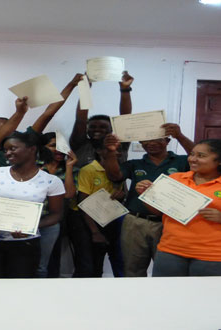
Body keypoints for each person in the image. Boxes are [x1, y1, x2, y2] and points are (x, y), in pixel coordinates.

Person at [135, 139, 221, 277]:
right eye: (192, 154)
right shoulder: (175, 179)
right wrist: (147, 194)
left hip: (218, 257)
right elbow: (159, 213)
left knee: (208, 298)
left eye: (201, 156)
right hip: (171, 251)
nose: (192, 159)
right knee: (169, 296)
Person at [102, 123, 195, 277]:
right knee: (132, 269)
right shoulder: (135, 164)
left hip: (170, 222)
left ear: (167, 141)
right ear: (140, 144)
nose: (150, 143)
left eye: (157, 139)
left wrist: (180, 135)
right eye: (145, 140)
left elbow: (199, 156)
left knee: (167, 270)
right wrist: (111, 153)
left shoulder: (182, 161)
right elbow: (115, 176)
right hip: (136, 222)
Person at [66, 71, 133, 277]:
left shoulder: (118, 145)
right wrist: (87, 87)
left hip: (114, 208)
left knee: (119, 257)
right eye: (92, 127)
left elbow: (125, 119)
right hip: (82, 212)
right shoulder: (80, 144)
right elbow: (80, 118)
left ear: (111, 130)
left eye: (102, 127)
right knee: (87, 262)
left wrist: (125, 90)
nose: (96, 130)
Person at [0, 131, 65, 278]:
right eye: (5, 150)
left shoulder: (51, 181)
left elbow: (56, 214)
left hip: (25, 244)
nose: (8, 153)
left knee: (20, 289)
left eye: (13, 148)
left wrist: (31, 227)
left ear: (32, 149)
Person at [76, 145, 125, 277]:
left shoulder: (119, 170)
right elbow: (82, 203)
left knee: (118, 259)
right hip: (90, 222)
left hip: (112, 219)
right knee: (90, 266)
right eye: (109, 149)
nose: (115, 152)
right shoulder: (89, 170)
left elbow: (123, 191)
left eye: (117, 150)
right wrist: (95, 232)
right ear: (99, 150)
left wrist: (122, 195)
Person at [37, 132, 78, 277]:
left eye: (62, 146)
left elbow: (69, 194)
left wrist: (69, 167)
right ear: (43, 147)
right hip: (29, 220)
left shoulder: (71, 170)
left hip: (53, 222)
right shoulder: (33, 166)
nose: (59, 149)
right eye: (53, 145)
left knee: (51, 263)